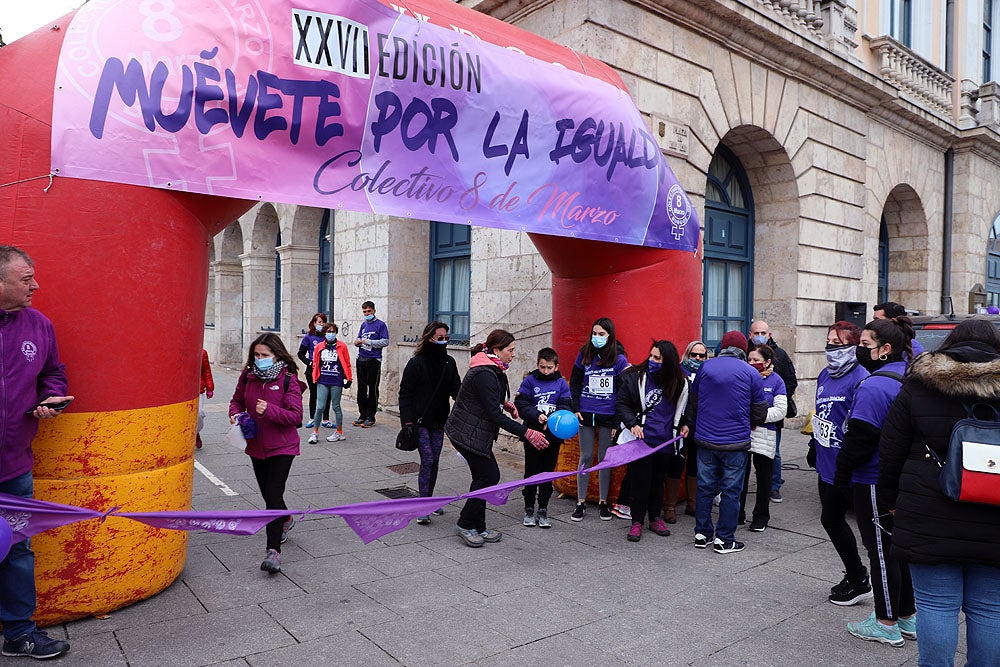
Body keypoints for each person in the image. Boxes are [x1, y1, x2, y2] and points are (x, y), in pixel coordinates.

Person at [878, 318, 1000, 666]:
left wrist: (890, 503)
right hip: (995, 516)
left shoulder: (920, 384)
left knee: (935, 605)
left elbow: (891, 450)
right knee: (991, 608)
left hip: (929, 509)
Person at [0, 246, 73, 660]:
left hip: (13, 467)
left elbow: (53, 372)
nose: (36, 285)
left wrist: (51, 396)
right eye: (26, 279)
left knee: (17, 547)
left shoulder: (39, 325)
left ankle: (19, 633)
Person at [834, 317, 916, 646]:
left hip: (873, 479)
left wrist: (841, 478)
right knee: (900, 551)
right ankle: (907, 617)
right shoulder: (907, 376)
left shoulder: (873, 386)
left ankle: (885, 622)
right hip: (901, 477)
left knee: (880, 551)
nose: (859, 350)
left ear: (885, 349)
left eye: (865, 345)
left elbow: (860, 438)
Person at [445, 330, 548, 547]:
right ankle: (465, 523)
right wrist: (527, 432)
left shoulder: (493, 368)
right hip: (466, 433)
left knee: (482, 478)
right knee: (490, 476)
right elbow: (494, 414)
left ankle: (478, 526)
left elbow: (490, 399)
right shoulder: (484, 372)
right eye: (510, 350)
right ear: (496, 350)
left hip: (475, 432)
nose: (514, 355)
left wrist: (506, 404)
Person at [684, 330, 767, 554]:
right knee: (731, 492)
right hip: (735, 442)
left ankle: (701, 533)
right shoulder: (751, 373)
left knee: (705, 487)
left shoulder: (705, 368)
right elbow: (760, 411)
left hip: (705, 440)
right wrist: (751, 422)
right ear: (743, 349)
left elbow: (694, 400)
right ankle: (724, 539)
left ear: (722, 347)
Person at [229, 333, 303, 574]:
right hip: (255, 446)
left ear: (276, 355)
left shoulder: (288, 379)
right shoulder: (248, 376)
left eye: (265, 355)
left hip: (282, 447)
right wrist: (234, 413)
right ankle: (286, 518)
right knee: (268, 495)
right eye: (256, 355)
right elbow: (236, 401)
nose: (259, 359)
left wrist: (270, 410)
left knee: (273, 495)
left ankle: (273, 552)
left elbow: (296, 417)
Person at [811, 321, 873, 607]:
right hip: (825, 461)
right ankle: (856, 574)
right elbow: (822, 414)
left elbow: (860, 425)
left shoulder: (861, 378)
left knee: (834, 519)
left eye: (838, 343)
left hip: (847, 466)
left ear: (853, 346)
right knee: (831, 519)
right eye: (829, 342)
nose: (832, 348)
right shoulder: (825, 374)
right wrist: (814, 444)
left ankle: (860, 577)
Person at [615, 340, 690, 542]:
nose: (653, 361)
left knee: (658, 482)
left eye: (658, 358)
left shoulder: (680, 382)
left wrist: (685, 424)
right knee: (639, 482)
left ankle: (655, 518)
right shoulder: (634, 377)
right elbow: (622, 403)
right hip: (641, 441)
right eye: (651, 356)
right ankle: (637, 522)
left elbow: (688, 408)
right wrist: (633, 424)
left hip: (665, 442)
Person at [398, 321, 461, 525]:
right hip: (419, 421)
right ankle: (423, 506)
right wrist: (406, 422)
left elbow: (457, 391)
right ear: (429, 338)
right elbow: (405, 394)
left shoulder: (449, 363)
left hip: (439, 420)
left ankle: (428, 500)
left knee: (434, 461)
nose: (443, 341)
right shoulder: (416, 363)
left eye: (446, 338)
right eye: (439, 338)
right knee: (427, 458)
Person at [569, 317, 630, 521]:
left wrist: (616, 422)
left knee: (605, 458)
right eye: (594, 334)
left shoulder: (620, 360)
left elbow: (623, 392)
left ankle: (604, 502)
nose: (597, 338)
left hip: (608, 415)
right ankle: (581, 502)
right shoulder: (584, 354)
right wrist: (575, 407)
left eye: (601, 334)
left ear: (610, 336)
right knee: (585, 456)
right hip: (586, 413)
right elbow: (576, 381)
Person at [514, 347, 572, 529]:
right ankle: (529, 508)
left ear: (556, 366)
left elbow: (566, 405)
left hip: (553, 436)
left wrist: (554, 419)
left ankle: (543, 509)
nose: (545, 371)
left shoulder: (562, 384)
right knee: (531, 472)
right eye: (542, 367)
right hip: (533, 434)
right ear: (537, 365)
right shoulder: (530, 381)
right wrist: (536, 415)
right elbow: (521, 403)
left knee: (547, 473)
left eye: (549, 367)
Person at [748, 320, 797, 503]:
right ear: (750, 334)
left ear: (769, 335)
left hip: (770, 420)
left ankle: (774, 486)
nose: (759, 335)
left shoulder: (781, 355)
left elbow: (791, 381)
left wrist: (780, 396)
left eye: (763, 332)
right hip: (746, 423)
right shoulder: (746, 355)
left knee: (772, 453)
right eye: (756, 332)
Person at [739, 345, 787, 532]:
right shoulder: (743, 378)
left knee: (764, 478)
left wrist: (757, 416)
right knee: (740, 478)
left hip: (765, 434)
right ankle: (738, 514)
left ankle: (761, 517)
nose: (751, 363)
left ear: (767, 362)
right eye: (749, 360)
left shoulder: (776, 381)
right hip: (742, 433)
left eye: (756, 360)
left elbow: (780, 410)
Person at [308, 323, 352, 444]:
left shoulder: (342, 346)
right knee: (320, 406)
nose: (331, 333)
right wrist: (314, 378)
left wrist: (349, 378)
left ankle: (339, 432)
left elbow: (347, 363)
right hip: (323, 380)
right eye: (328, 331)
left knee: (336, 406)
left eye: (333, 331)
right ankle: (315, 432)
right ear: (324, 333)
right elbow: (316, 363)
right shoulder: (319, 347)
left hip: (336, 380)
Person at [681, 340, 708, 517]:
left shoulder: (708, 374)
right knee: (675, 463)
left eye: (701, 355)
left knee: (695, 465)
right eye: (694, 354)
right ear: (687, 355)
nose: (697, 358)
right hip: (680, 425)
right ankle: (668, 505)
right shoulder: (679, 372)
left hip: (700, 425)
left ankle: (693, 503)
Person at [352, 301, 389, 427]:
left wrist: (370, 342)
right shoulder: (363, 325)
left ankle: (371, 416)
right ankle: (362, 415)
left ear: (374, 311)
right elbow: (358, 338)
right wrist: (357, 342)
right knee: (361, 388)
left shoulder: (381, 325)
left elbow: (385, 341)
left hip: (374, 360)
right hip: (361, 358)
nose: (366, 314)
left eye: (368, 311)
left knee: (372, 388)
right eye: (364, 312)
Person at [297, 312, 330, 429]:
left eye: (323, 321)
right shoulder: (308, 337)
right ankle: (312, 418)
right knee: (314, 393)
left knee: (327, 394)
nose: (322, 324)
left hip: (326, 369)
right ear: (314, 323)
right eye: (319, 322)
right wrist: (310, 363)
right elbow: (300, 354)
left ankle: (325, 419)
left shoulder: (328, 336)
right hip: (312, 370)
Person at [196, 349, 214, 449]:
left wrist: (209, 387)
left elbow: (206, 371)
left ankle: (196, 432)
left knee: (200, 413)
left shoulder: (202, 353)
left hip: (198, 389)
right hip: (183, 390)